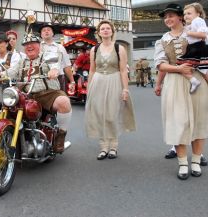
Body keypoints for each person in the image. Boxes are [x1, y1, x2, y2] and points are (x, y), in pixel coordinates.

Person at [154, 3, 208, 180]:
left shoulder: (194, 32)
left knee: (199, 121)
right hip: (175, 82)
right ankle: (182, 163)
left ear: (181, 16)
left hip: (198, 81)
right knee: (177, 122)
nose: (168, 19)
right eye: (165, 17)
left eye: (171, 15)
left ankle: (195, 161)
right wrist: (178, 69)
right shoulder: (163, 40)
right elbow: (160, 64)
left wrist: (206, 64)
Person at [0, 31, 72, 152]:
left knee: (64, 102)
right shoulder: (22, 61)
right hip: (27, 95)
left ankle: (61, 135)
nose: (29, 46)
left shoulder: (47, 57)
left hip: (47, 93)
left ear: (39, 45)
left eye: (32, 43)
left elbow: (55, 65)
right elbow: (11, 72)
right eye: (26, 44)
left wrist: (53, 71)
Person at [85, 20, 136, 160]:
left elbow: (123, 71)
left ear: (112, 31)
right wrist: (89, 89)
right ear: (99, 32)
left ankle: (113, 147)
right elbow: (92, 70)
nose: (106, 30)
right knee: (100, 114)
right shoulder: (94, 49)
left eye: (108, 28)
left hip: (114, 81)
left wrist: (125, 89)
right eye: (103, 28)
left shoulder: (119, 48)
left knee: (112, 114)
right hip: (98, 82)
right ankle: (103, 147)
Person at [155, 64, 208, 166]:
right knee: (177, 119)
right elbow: (164, 62)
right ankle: (176, 148)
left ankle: (197, 154)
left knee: (196, 119)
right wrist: (158, 83)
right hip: (175, 80)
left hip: (196, 78)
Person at [177, 3, 208, 107]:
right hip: (195, 47)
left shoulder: (198, 21)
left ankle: (196, 82)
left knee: (182, 65)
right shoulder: (191, 24)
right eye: (184, 14)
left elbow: (203, 35)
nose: (186, 16)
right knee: (203, 71)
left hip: (199, 47)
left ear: (198, 14)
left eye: (189, 13)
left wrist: (188, 33)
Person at [39, 24, 74, 92]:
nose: (46, 32)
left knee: (60, 100)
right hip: (42, 79)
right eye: (44, 30)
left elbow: (67, 66)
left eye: (48, 30)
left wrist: (72, 81)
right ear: (41, 34)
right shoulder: (38, 47)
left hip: (59, 78)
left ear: (52, 33)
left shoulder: (60, 47)